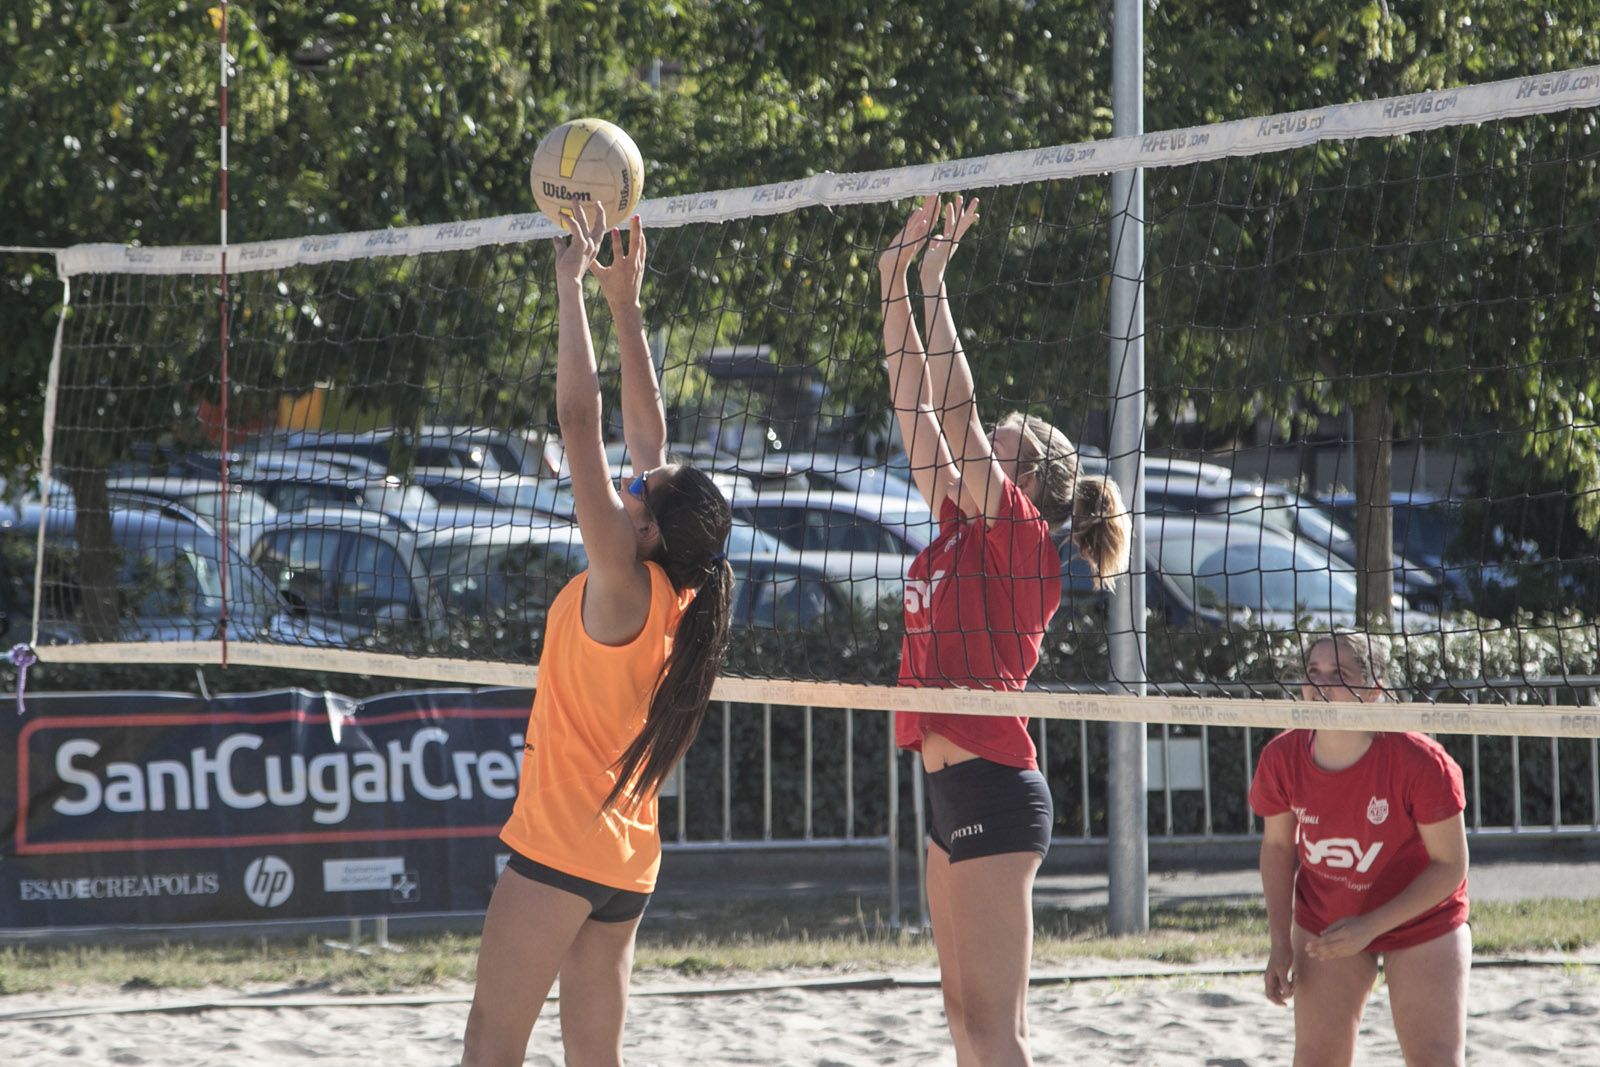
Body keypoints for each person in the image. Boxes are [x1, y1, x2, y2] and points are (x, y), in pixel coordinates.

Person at [463, 203, 735, 1067]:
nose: (630, 481)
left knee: (488, 1052)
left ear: (650, 526)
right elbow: (647, 440)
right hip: (624, 861)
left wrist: (568, 287)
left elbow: (580, 426)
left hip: (558, 849)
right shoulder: (685, 593)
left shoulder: (620, 579)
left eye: (641, 491)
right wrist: (628, 303)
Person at [879, 193, 1130, 1066]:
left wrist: (939, 282)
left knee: (994, 1031)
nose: (982, 440)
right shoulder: (958, 525)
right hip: (954, 790)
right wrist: (892, 282)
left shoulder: (1021, 539)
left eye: (1000, 440)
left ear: (1023, 477)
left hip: (993, 787)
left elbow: (955, 411)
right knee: (964, 1020)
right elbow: (917, 413)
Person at [1250, 631, 1471, 1067]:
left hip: (1420, 917)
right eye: (1314, 672)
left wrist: (1371, 925)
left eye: (1340, 674)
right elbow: (1278, 848)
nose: (1322, 684)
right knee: (1317, 1058)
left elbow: (1451, 867)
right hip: (1327, 920)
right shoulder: (1283, 756)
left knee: (1434, 1059)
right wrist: (1280, 943)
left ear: (1374, 690)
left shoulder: (1420, 760)